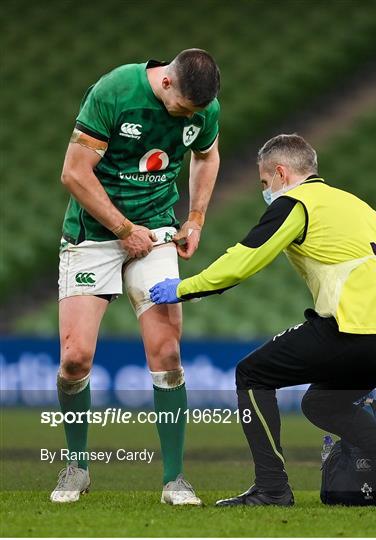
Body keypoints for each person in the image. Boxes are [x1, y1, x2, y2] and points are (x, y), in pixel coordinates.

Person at [150, 133, 376, 508]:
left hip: (353, 326)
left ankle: (272, 489)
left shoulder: (296, 203)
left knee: (252, 374)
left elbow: (242, 262)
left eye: (265, 183)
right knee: (323, 403)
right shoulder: (358, 205)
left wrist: (184, 288)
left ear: (281, 173)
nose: (265, 191)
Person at [51, 49, 221, 505]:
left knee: (167, 351)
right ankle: (77, 467)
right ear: (166, 83)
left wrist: (197, 218)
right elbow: (73, 172)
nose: (188, 117)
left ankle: (174, 480)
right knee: (75, 360)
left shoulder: (204, 107)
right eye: (184, 109)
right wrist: (124, 230)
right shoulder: (114, 92)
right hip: (94, 235)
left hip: (157, 234)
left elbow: (207, 155)